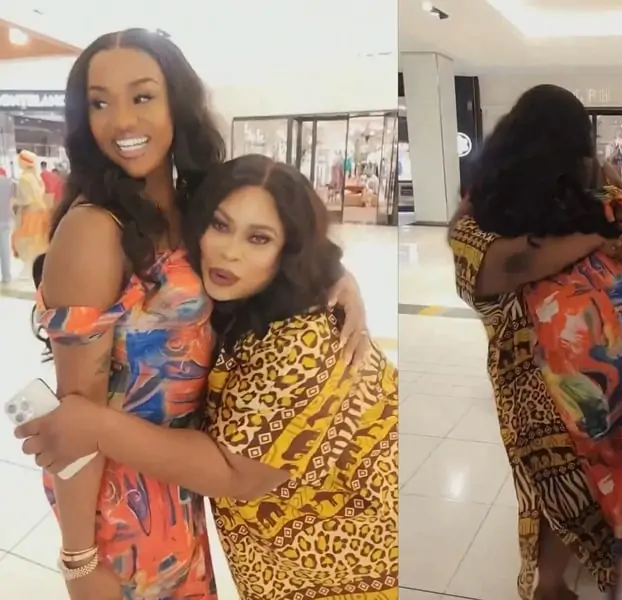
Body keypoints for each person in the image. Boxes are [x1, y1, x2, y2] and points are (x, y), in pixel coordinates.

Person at [12, 28, 370, 600]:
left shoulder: (190, 207)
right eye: (99, 103)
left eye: (142, 96)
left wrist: (338, 279)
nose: (121, 121)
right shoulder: (93, 229)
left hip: (175, 473)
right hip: (120, 498)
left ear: (177, 103)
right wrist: (78, 558)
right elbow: (75, 416)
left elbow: (267, 249)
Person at [449, 83, 622, 600]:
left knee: (580, 482)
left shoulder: (493, 200)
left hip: (555, 374)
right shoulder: (570, 191)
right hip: (616, 356)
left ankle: (567, 585)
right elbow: (515, 262)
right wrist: (605, 234)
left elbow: (510, 262)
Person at [12, 150, 49, 276]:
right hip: (41, 213)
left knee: (25, 241)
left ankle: (28, 269)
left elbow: (26, 200)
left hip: (29, 214)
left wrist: (15, 202)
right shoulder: (36, 177)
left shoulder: (24, 178)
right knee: (37, 241)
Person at [0, 167, 14, 284]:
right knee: (5, 249)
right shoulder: (8, 183)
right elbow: (11, 201)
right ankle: (6, 276)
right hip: (5, 219)